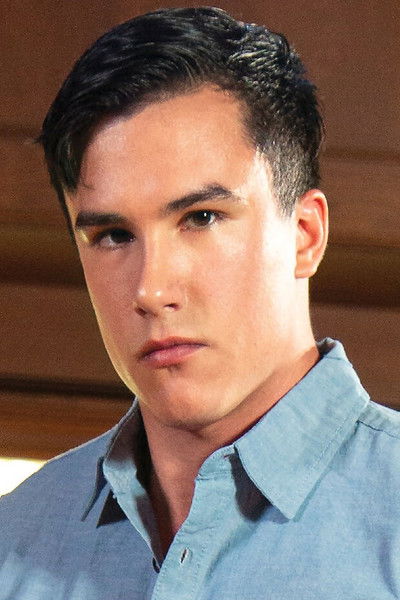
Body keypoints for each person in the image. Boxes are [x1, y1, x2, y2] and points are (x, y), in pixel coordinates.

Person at [1, 6, 399, 599]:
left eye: (202, 217)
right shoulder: (14, 543)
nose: (151, 290)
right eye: (113, 235)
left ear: (304, 235)